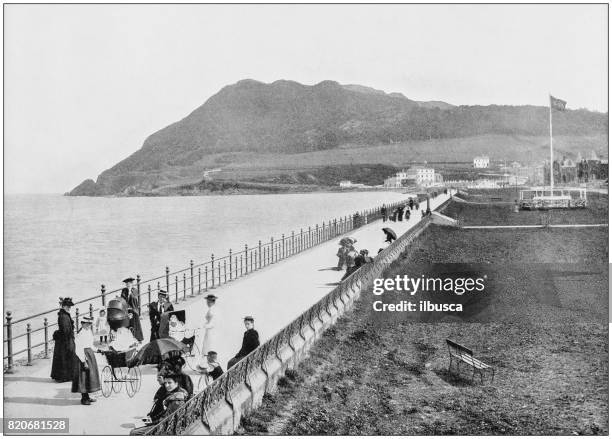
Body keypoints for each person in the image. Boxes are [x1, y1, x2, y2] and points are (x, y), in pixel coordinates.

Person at [72, 316, 100, 405]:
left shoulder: (89, 332)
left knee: (89, 377)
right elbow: (78, 349)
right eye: (87, 324)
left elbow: (90, 345)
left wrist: (97, 350)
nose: (88, 326)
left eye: (90, 324)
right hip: (83, 356)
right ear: (82, 324)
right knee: (83, 377)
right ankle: (84, 398)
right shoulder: (80, 334)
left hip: (90, 354)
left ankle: (87, 396)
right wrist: (84, 361)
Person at [51, 297, 77, 382]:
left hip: (65, 339)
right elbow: (65, 330)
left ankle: (66, 376)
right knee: (65, 357)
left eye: (70, 306)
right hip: (65, 340)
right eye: (68, 306)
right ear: (64, 306)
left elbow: (66, 329)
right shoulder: (63, 316)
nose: (69, 308)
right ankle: (64, 376)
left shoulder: (64, 315)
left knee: (65, 357)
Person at [198, 294, 218, 369]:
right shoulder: (212, 309)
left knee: (208, 347)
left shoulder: (212, 310)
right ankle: (206, 365)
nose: (207, 302)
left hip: (211, 331)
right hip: (209, 331)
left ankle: (208, 366)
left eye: (208, 301)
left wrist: (204, 326)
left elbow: (212, 323)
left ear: (210, 301)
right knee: (207, 347)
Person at [121, 277, 143, 342]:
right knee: (127, 324)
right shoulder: (124, 290)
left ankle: (138, 338)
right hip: (126, 310)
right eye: (126, 284)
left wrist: (130, 292)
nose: (128, 285)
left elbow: (134, 299)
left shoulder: (135, 290)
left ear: (132, 284)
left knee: (135, 324)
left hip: (134, 309)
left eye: (129, 283)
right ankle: (128, 338)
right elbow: (123, 299)